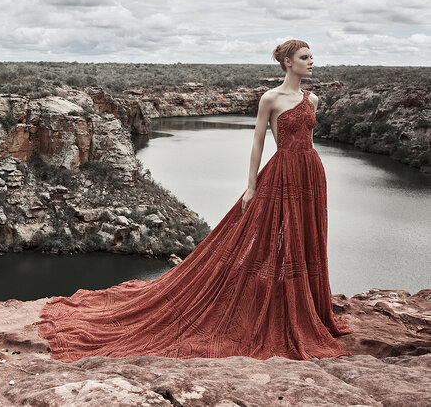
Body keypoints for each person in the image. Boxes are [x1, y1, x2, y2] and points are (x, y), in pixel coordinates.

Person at [26, 39, 353, 362]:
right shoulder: (271, 98)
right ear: (287, 63)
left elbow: (308, 140)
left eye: (311, 56)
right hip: (280, 172)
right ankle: (276, 309)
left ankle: (304, 304)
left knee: (305, 238)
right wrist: (251, 187)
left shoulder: (313, 99)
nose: (311, 61)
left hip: (310, 173)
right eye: (305, 57)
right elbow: (257, 144)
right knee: (266, 236)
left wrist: (311, 171)